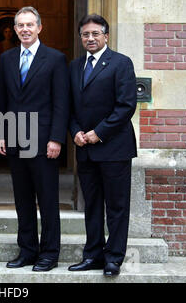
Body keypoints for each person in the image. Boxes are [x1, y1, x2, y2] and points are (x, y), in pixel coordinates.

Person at [0, 6, 70, 272]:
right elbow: (3, 100)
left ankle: (49, 253)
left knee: (48, 199)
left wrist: (57, 139)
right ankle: (27, 251)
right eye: (20, 25)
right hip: (15, 138)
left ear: (40, 27)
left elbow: (61, 102)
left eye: (30, 25)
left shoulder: (55, 59)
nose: (25, 29)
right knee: (22, 199)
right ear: (15, 30)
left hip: (43, 141)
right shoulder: (6, 59)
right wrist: (0, 134)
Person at [68, 14, 137, 277]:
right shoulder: (74, 67)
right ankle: (93, 255)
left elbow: (126, 105)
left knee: (117, 206)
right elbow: (70, 106)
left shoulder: (121, 63)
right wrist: (75, 131)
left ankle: (113, 258)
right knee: (92, 205)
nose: (90, 38)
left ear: (106, 36)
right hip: (84, 149)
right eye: (85, 34)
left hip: (114, 148)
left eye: (95, 33)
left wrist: (99, 133)